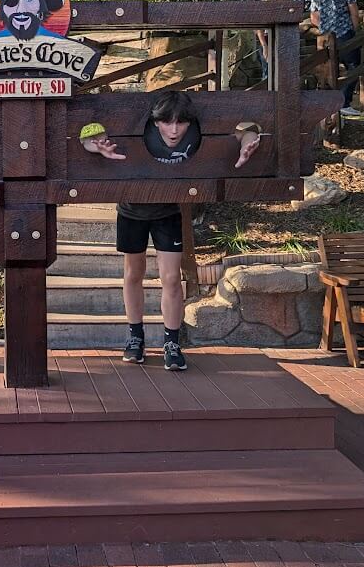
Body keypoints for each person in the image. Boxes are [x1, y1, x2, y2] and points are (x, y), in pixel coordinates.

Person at [82, 90, 261, 372]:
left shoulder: (196, 135)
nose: (174, 130)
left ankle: (172, 343)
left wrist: (249, 140)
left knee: (171, 279)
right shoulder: (141, 133)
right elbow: (85, 137)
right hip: (132, 209)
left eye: (181, 123)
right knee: (132, 274)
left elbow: (245, 128)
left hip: (168, 212)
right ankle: (135, 337)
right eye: (167, 122)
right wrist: (94, 148)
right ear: (155, 123)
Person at [309, 0, 363, 116]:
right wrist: (355, 29)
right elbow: (353, 10)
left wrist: (325, 28)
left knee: (330, 70)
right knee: (354, 66)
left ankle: (328, 103)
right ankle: (344, 103)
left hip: (326, 36)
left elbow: (313, 17)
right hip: (344, 32)